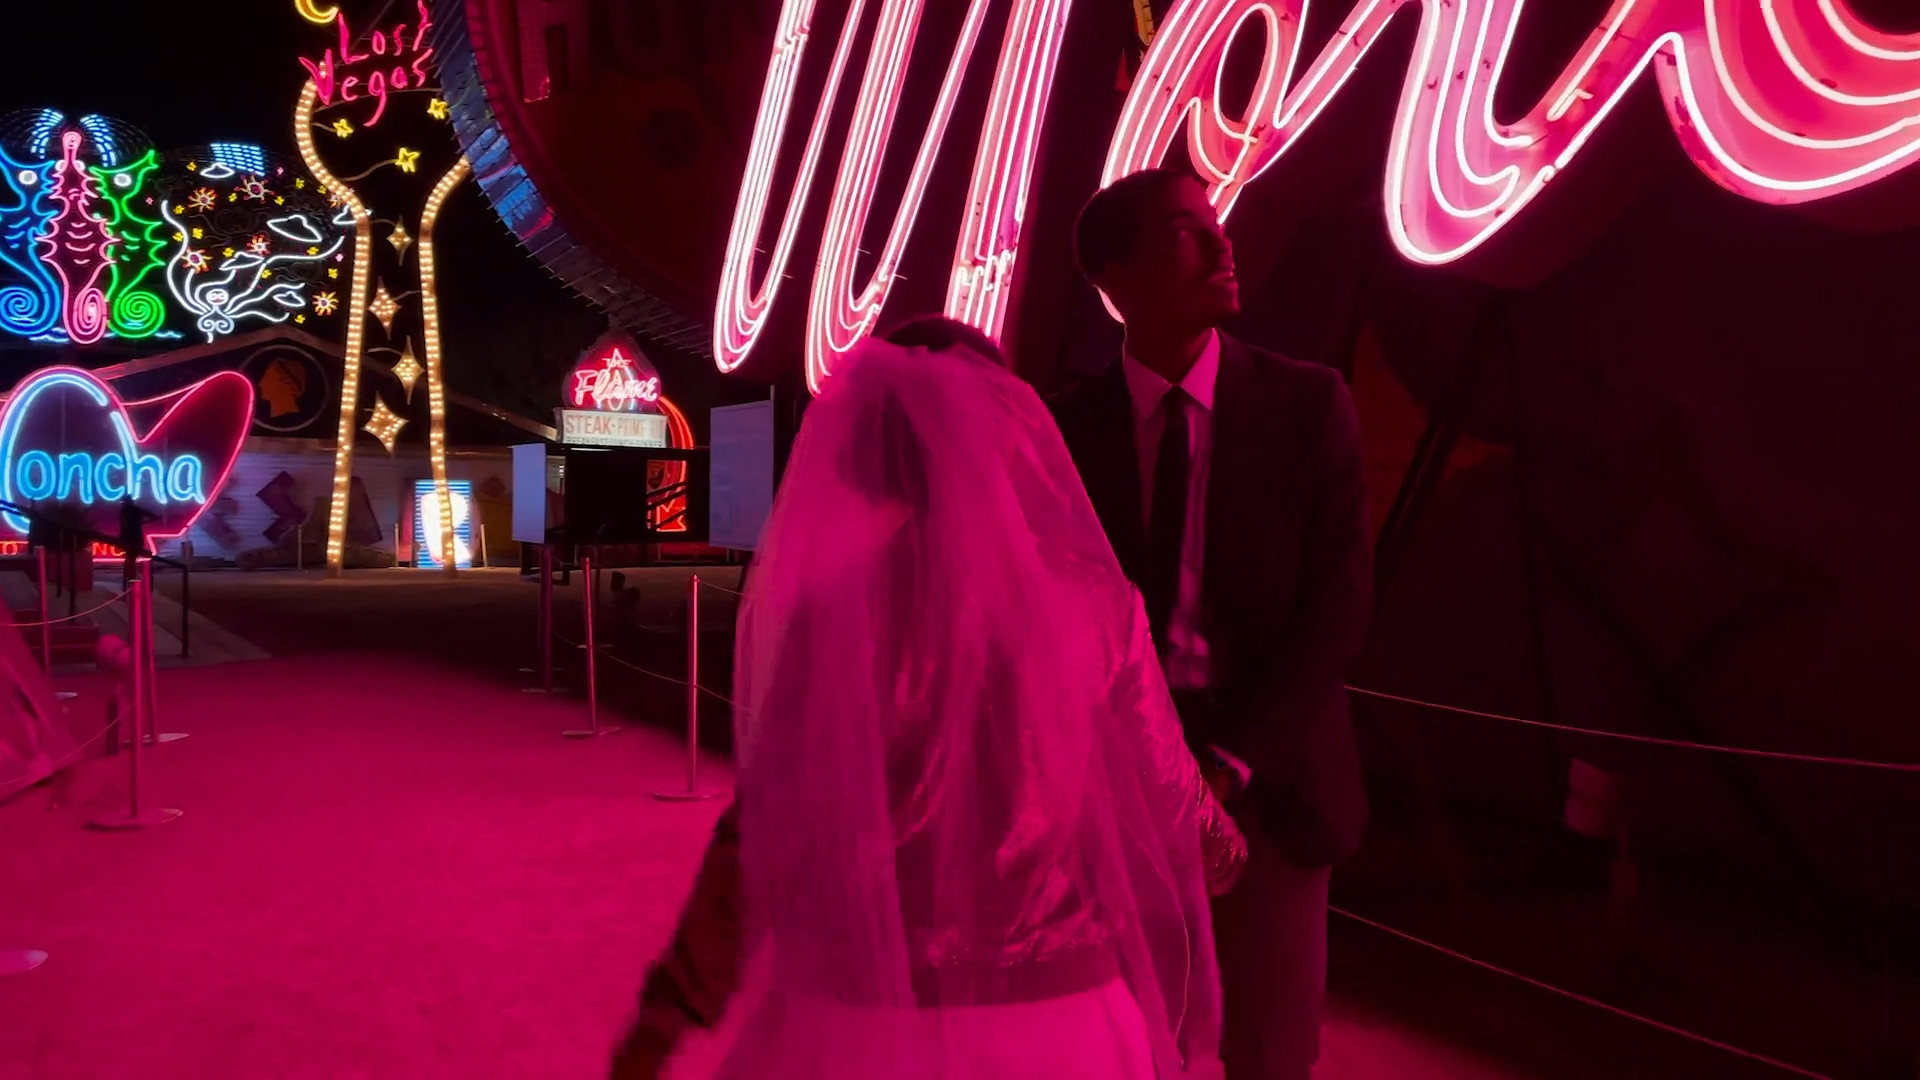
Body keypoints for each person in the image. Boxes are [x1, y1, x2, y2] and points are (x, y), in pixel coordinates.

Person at [612, 320, 1246, 1079]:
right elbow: (1174, 810)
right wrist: (1229, 843)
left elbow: (767, 827)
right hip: (1056, 1020)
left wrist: (673, 1005)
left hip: (864, 1014)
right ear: (1011, 428)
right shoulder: (1095, 605)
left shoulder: (838, 616)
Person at [1049, 168, 1374, 1080]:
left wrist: (1226, 766)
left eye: (1217, 225)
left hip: (1269, 780)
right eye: (1187, 232)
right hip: (1116, 789)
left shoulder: (1307, 407)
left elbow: (1340, 606)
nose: (1224, 245)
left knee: (1271, 1051)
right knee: (1124, 1039)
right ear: (1115, 280)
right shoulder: (1069, 430)